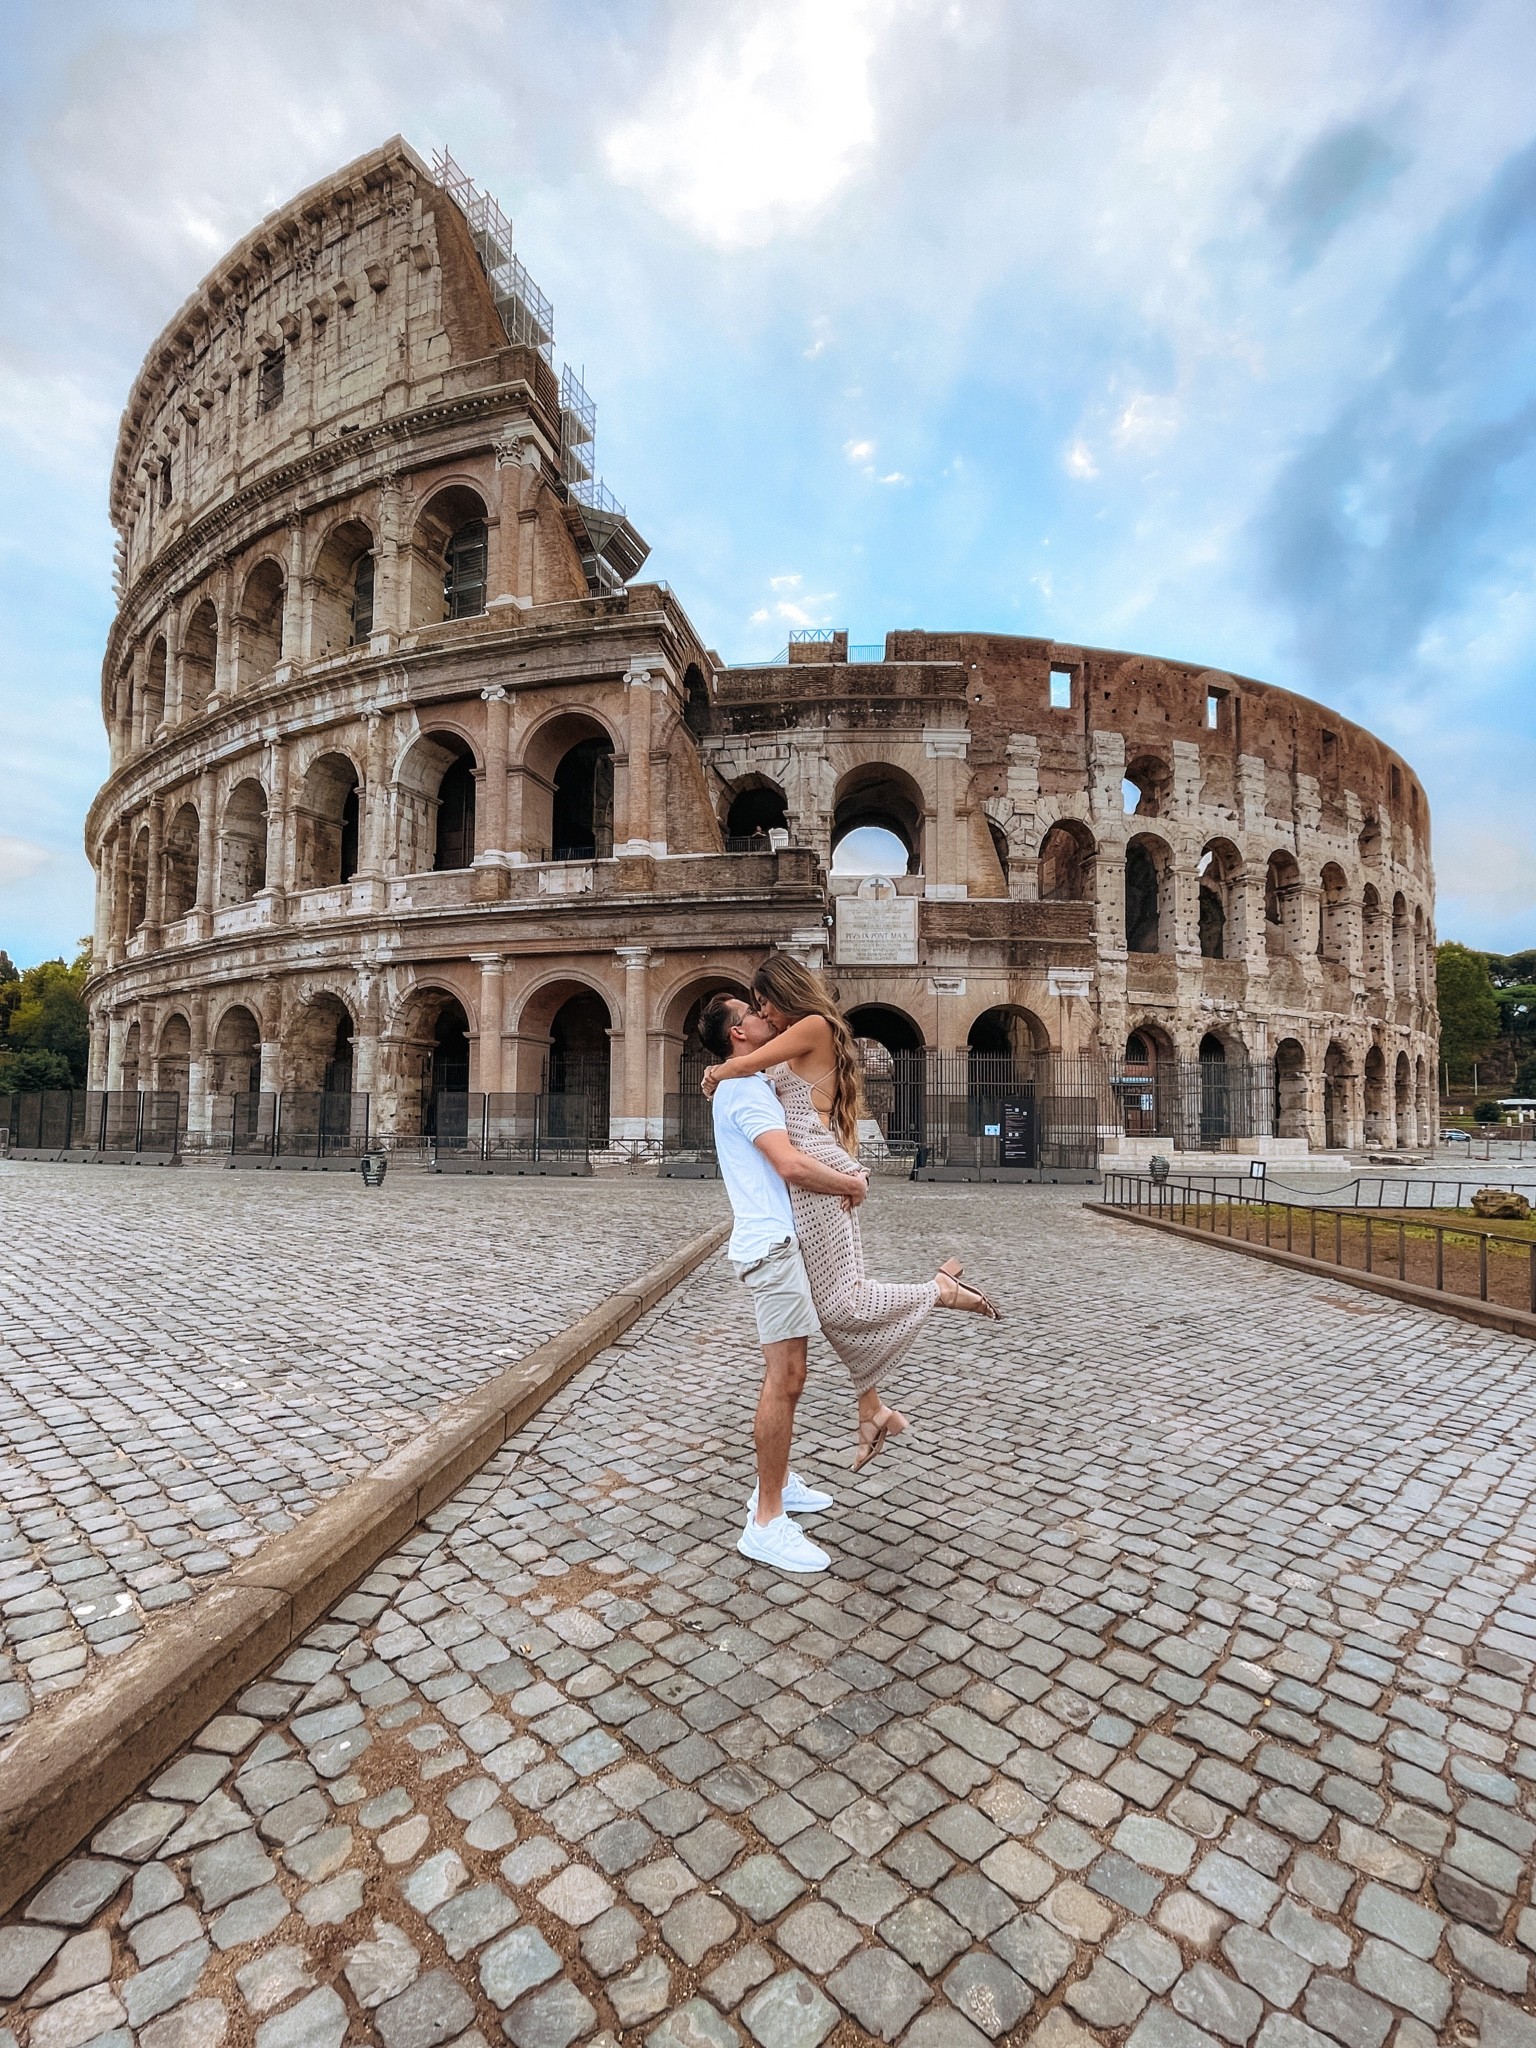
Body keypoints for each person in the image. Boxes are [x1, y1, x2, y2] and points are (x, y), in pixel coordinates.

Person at [701, 956, 1001, 1470]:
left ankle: (940, 1292)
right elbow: (757, 1070)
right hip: (820, 1170)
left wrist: (716, 1072)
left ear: (783, 993)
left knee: (840, 1304)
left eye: (764, 1001)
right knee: (829, 1302)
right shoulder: (797, 1038)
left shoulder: (812, 1027)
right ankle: (872, 1408)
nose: (763, 1012)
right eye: (754, 1008)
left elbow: (747, 1065)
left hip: (818, 1172)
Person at [700, 992, 871, 1574]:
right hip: (771, 1247)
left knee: (790, 1374)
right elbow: (791, 1165)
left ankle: (779, 1483)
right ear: (737, 1034)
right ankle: (766, 1518)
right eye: (750, 1014)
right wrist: (850, 1185)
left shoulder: (747, 1080)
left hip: (779, 1242)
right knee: (786, 1376)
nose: (764, 1017)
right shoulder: (746, 1092)